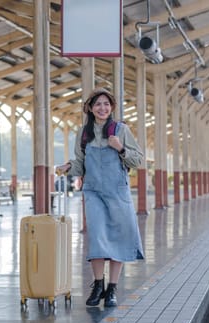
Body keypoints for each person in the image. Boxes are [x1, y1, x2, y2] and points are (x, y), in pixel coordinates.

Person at [56, 88, 145, 307]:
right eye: (98, 104)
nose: (102, 108)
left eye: (106, 104)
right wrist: (68, 167)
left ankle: (112, 289)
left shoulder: (121, 130)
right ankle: (98, 285)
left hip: (118, 192)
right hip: (93, 191)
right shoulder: (84, 133)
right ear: (90, 108)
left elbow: (138, 160)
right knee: (97, 237)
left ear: (111, 107)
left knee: (119, 237)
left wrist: (121, 148)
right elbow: (80, 163)